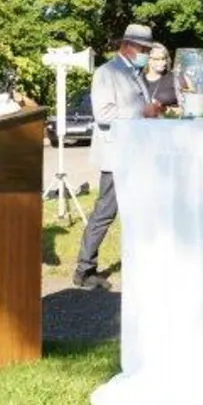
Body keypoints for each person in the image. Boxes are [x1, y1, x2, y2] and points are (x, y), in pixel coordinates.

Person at [74, 24, 162, 291]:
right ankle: (84, 269)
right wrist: (142, 112)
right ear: (127, 46)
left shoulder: (134, 73)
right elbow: (104, 114)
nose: (146, 53)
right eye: (143, 49)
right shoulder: (107, 73)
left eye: (148, 49)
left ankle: (141, 263)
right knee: (105, 212)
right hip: (117, 156)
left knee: (141, 211)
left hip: (136, 155)